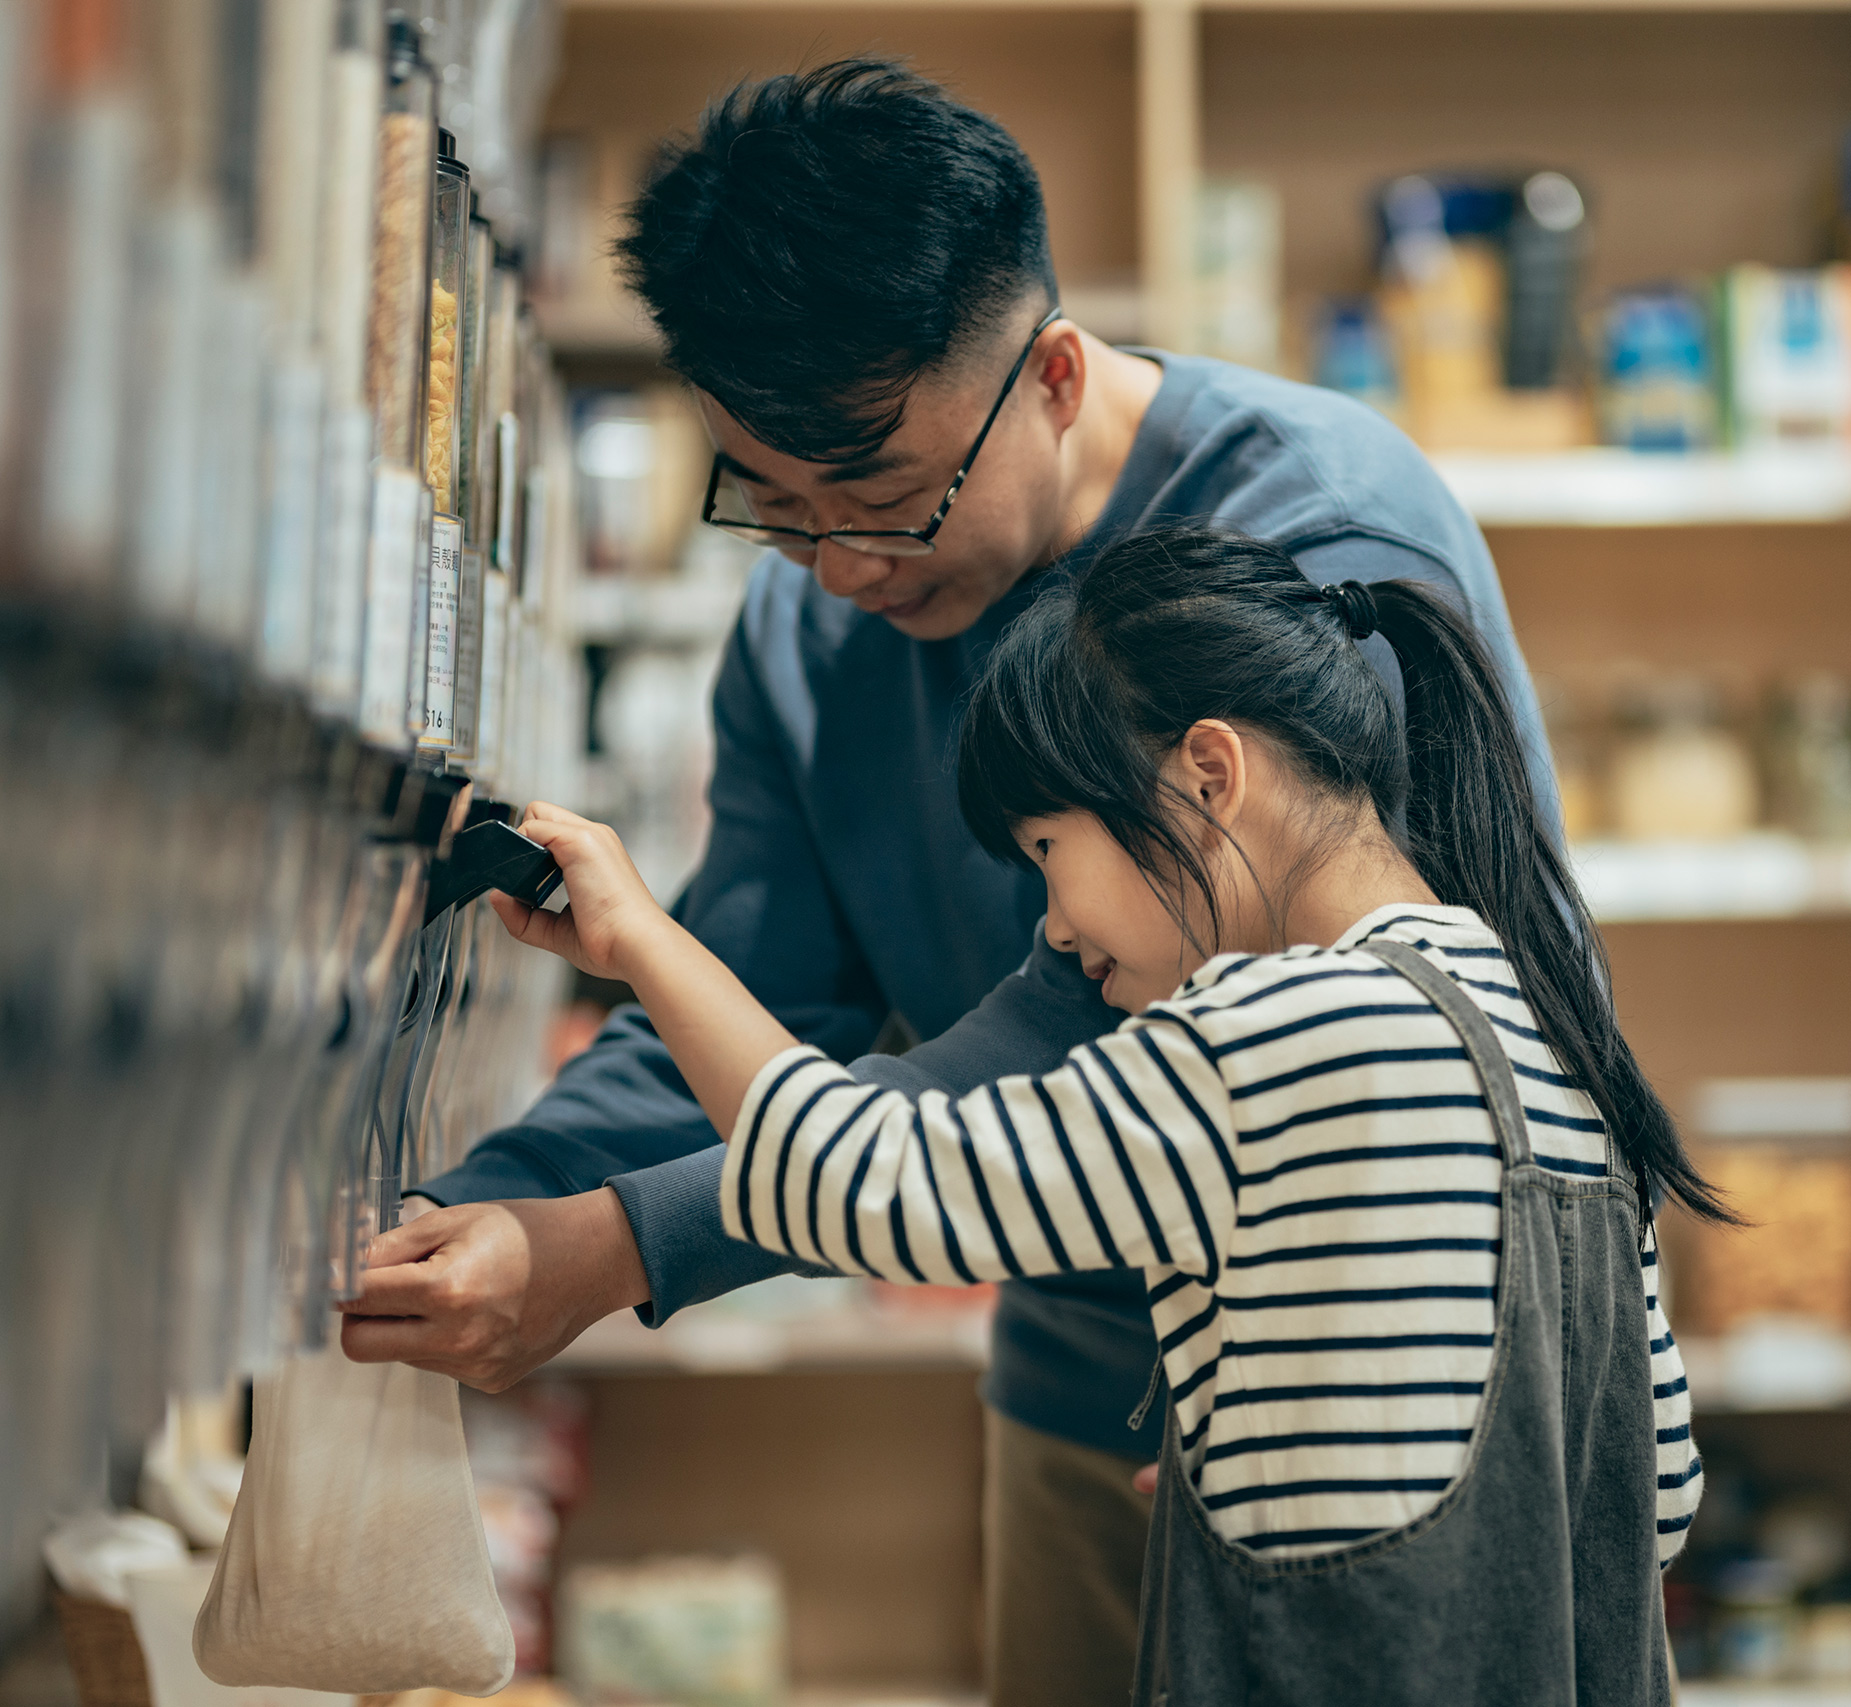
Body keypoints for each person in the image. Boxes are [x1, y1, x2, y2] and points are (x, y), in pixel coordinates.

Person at [337, 59, 1556, 1707]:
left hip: (1387, 1398)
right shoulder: (804, 635)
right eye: (772, 502)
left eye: (887, 500)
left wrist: (612, 1245)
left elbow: (1075, 1043)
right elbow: (754, 1000)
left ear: (1051, 375)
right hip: (1080, 1389)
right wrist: (490, 1207)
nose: (839, 567)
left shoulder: (1303, 544)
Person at [415, 526, 1721, 1703]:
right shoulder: (1541, 1017)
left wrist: (642, 937)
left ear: (1209, 774)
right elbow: (1654, 1488)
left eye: (1050, 848)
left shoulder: (1268, 1034)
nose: (1051, 923)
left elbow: (869, 1181)